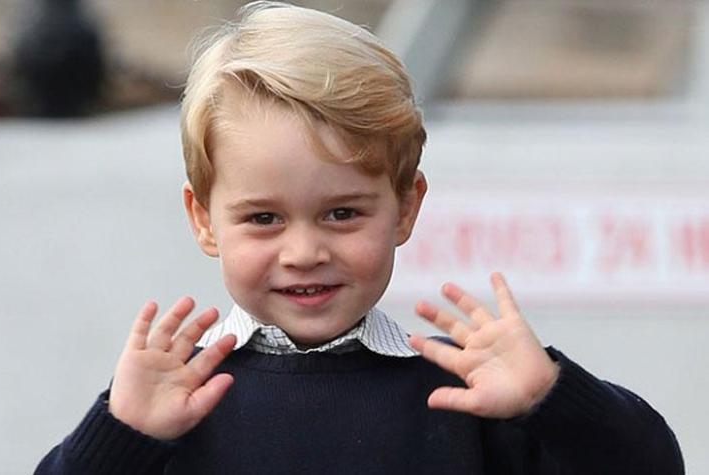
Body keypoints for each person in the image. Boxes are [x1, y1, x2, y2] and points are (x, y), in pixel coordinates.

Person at [35, 2, 683, 474]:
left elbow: (653, 462)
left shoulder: (468, 394)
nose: (304, 250)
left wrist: (550, 396)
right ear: (203, 217)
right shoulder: (168, 402)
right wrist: (117, 435)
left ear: (405, 208)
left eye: (343, 213)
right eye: (264, 218)